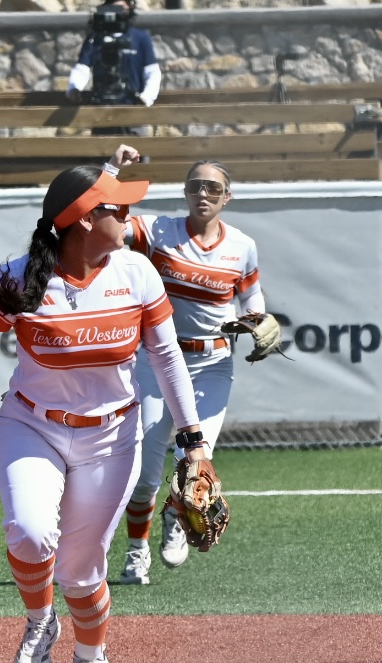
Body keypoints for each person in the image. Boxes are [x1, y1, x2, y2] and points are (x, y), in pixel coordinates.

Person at [0, 164, 213, 663]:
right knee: (29, 532)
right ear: (81, 221)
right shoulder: (19, 276)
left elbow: (167, 356)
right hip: (31, 424)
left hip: (112, 435)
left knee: (81, 570)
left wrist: (193, 437)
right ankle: (40, 621)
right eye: (115, 208)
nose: (127, 215)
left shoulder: (137, 273)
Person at [106, 144, 270, 586]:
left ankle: (176, 518)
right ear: (184, 192)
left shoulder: (242, 246)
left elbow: (251, 297)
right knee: (143, 472)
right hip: (158, 359)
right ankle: (137, 550)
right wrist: (113, 172)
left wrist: (259, 319)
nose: (204, 193)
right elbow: (108, 223)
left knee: (196, 462)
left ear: (227, 197)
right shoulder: (158, 230)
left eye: (213, 188)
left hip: (212, 362)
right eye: (196, 185)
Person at [66, 0, 161, 110]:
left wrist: (146, 97)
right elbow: (82, 68)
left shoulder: (140, 37)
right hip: (101, 109)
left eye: (121, 8)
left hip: (133, 107)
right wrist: (74, 89)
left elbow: (152, 71)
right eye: (113, 7)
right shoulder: (95, 38)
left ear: (129, 9)